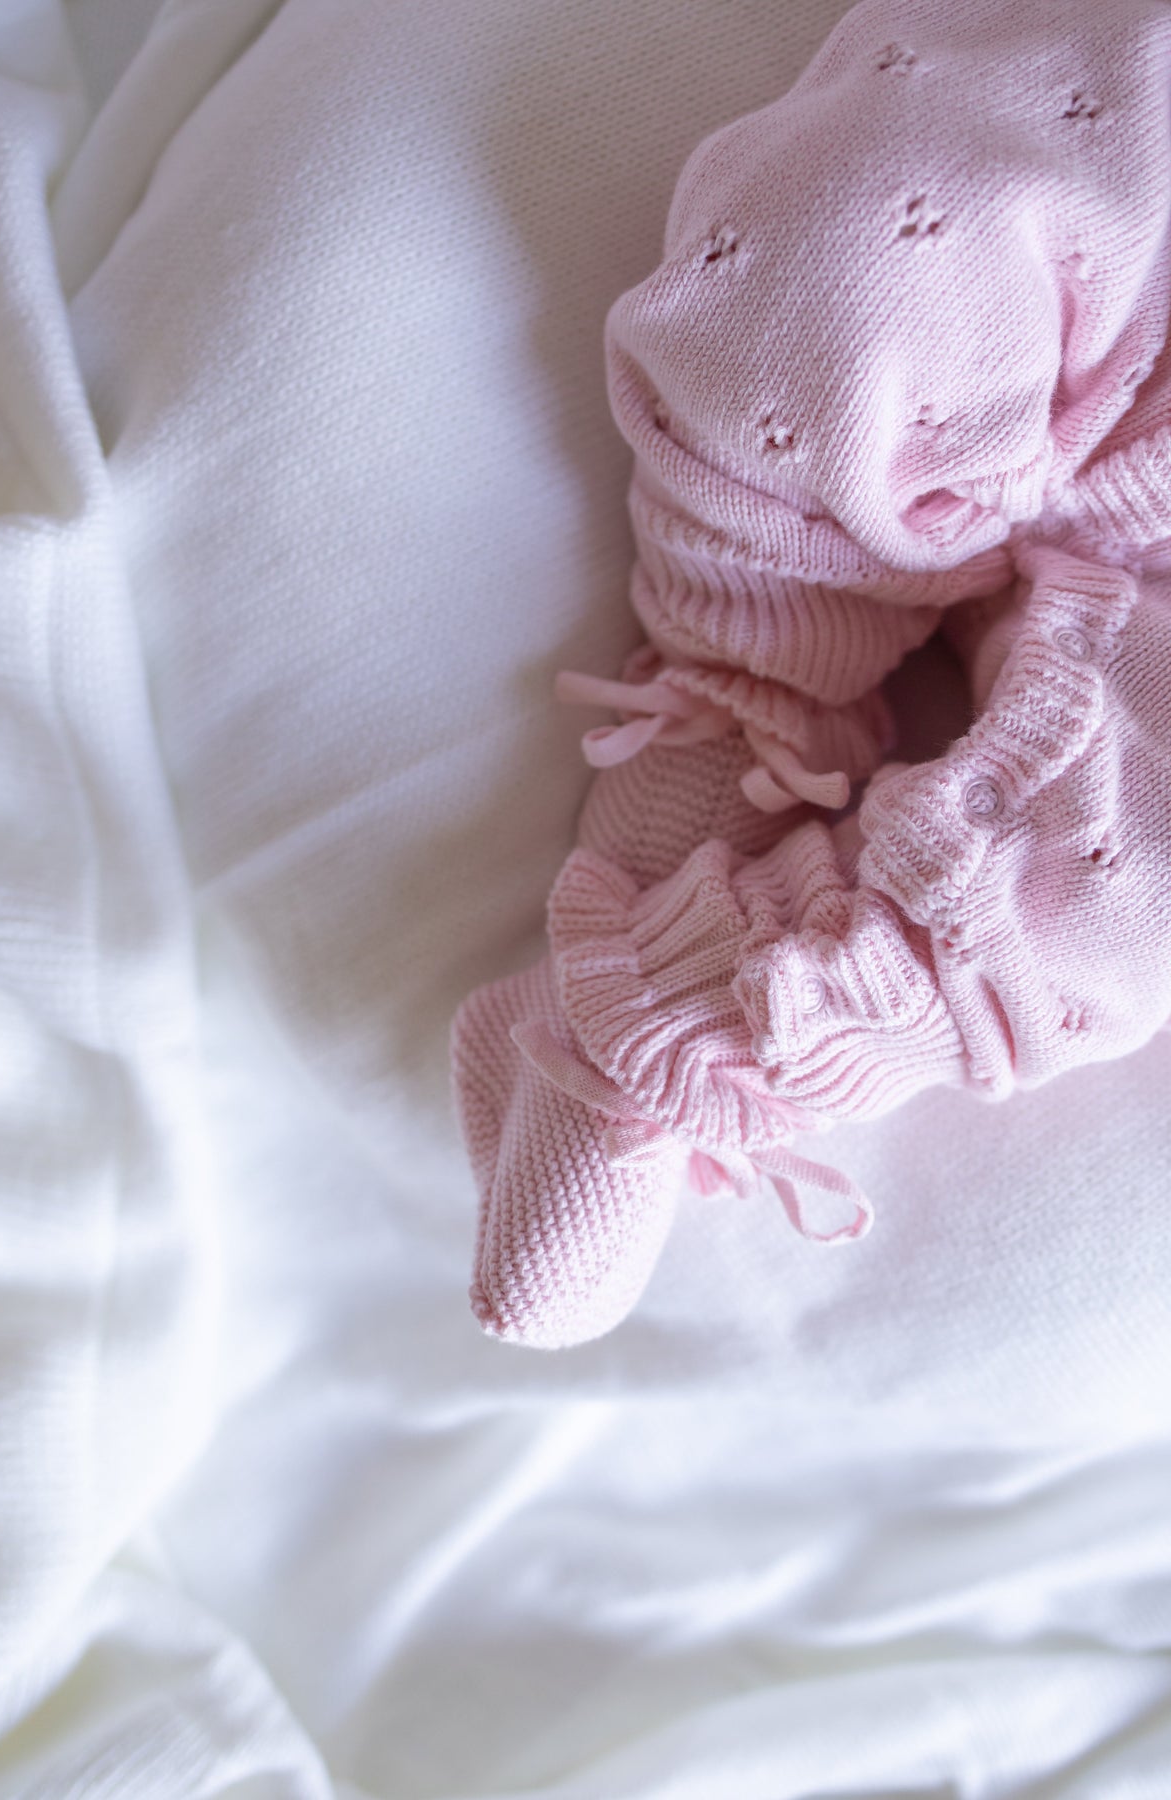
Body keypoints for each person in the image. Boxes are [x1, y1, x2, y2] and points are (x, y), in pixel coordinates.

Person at [453, 0, 1171, 1348]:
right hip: (1111, 225)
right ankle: (740, 697)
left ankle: (704, 1022)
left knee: (1136, 886)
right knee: (867, 242)